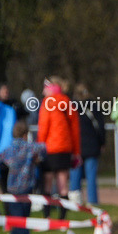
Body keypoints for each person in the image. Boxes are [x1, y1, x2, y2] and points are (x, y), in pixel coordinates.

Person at [37, 77, 80, 218]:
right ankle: (62, 219)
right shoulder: (68, 102)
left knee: (48, 183)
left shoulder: (47, 103)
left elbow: (43, 128)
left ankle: (47, 217)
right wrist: (76, 152)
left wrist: (39, 147)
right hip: (65, 149)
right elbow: (75, 130)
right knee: (63, 185)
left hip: (50, 149)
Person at [0, 121, 46, 234]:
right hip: (27, 184)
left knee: (16, 213)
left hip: (12, 185)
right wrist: (37, 159)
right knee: (25, 212)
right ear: (25, 134)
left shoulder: (9, 149)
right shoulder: (30, 147)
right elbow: (43, 147)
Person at [69, 83, 105, 205]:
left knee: (75, 176)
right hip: (92, 145)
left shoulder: (71, 107)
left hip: (76, 147)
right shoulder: (94, 106)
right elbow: (100, 127)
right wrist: (102, 143)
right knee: (91, 178)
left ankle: (75, 202)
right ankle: (93, 202)